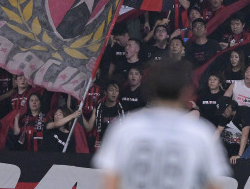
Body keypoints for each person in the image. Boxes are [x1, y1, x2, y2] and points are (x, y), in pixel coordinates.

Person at [94, 60, 229, 189]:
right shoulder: (200, 133)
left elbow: (110, 182)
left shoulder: (126, 128)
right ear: (186, 92)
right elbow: (214, 184)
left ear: (151, 89)